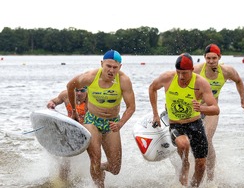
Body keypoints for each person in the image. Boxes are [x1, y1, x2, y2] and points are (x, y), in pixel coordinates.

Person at [66, 49, 135, 188]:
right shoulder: (90, 77)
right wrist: (74, 111)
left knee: (115, 168)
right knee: (95, 158)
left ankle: (99, 169)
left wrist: (120, 124)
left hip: (112, 124)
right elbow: (70, 86)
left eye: (115, 67)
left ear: (120, 67)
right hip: (92, 120)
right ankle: (99, 182)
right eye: (108, 66)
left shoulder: (124, 81)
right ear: (102, 64)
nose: (111, 70)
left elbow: (131, 107)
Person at [149, 53, 220, 187]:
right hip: (176, 125)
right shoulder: (167, 78)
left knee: (201, 164)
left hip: (195, 124)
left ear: (192, 70)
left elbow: (215, 109)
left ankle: (193, 186)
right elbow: (152, 88)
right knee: (183, 144)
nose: (181, 77)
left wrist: (201, 108)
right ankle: (185, 163)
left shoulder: (201, 83)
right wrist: (155, 114)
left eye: (185, 73)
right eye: (179, 72)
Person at [193, 44, 244, 183]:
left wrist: (242, 101)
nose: (211, 61)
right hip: (194, 108)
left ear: (219, 57)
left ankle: (210, 178)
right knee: (192, 142)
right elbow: (179, 82)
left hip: (212, 108)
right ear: (204, 58)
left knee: (207, 139)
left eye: (214, 58)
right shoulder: (196, 70)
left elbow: (239, 81)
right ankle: (195, 168)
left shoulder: (226, 71)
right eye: (208, 58)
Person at [46, 86, 88, 182]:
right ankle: (63, 182)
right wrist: (51, 104)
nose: (79, 93)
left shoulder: (91, 99)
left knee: (93, 157)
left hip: (87, 131)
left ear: (87, 90)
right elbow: (54, 101)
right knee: (66, 160)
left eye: (82, 91)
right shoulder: (66, 95)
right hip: (70, 131)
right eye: (76, 90)